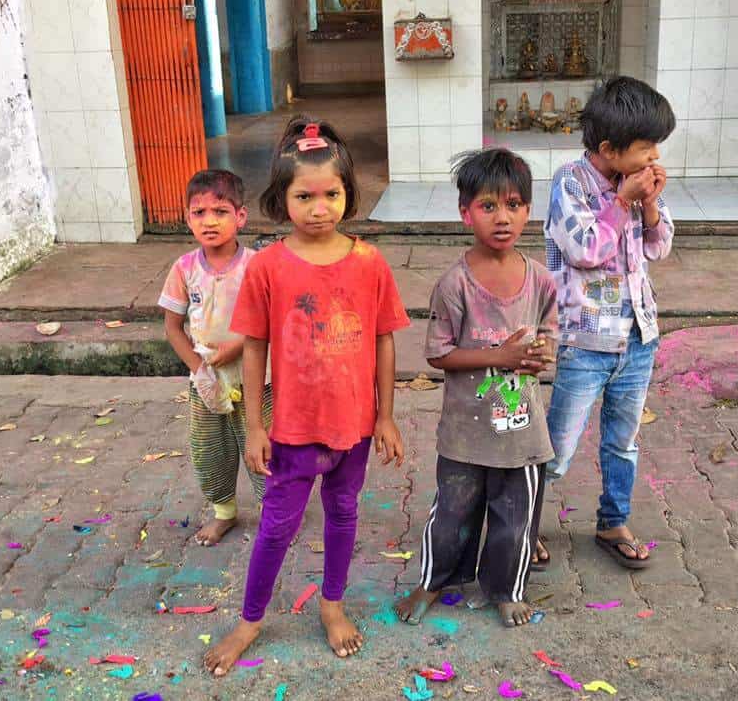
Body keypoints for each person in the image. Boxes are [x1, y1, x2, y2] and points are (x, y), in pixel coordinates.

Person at [204, 116, 410, 675]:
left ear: (348, 194)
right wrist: (254, 427)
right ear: (281, 199)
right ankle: (250, 619)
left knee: (343, 514)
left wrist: (386, 416)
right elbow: (252, 350)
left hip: (356, 427)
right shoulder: (268, 267)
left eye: (332, 194)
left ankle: (332, 603)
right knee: (277, 526)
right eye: (304, 196)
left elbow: (385, 341)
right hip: (292, 430)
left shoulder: (369, 263)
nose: (319, 208)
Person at [395, 148, 559, 628]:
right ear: (465, 213)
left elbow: (550, 335)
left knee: (516, 521)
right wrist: (500, 357)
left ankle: (507, 590)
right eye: (488, 206)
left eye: (513, 204)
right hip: (466, 433)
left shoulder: (542, 281)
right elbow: (438, 354)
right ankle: (435, 581)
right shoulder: (455, 285)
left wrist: (542, 352)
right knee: (451, 515)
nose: (502, 217)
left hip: (522, 433)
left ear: (529, 210)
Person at [541, 75, 675, 569]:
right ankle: (524, 522)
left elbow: (659, 247)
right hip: (585, 341)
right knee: (557, 449)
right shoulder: (570, 183)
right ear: (608, 148)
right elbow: (585, 251)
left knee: (622, 442)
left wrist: (650, 203)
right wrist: (622, 203)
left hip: (639, 337)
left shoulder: (637, 184)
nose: (653, 158)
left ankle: (613, 520)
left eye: (656, 146)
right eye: (645, 147)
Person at [159, 169, 272, 547]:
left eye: (220, 211)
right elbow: (173, 327)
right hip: (207, 382)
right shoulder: (184, 268)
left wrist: (237, 347)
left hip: (258, 379)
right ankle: (224, 512)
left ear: (240, 217)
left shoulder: (257, 265)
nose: (209, 221)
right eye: (199, 212)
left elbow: (272, 320)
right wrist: (199, 368)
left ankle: (274, 513)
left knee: (264, 447)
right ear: (187, 219)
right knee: (210, 450)